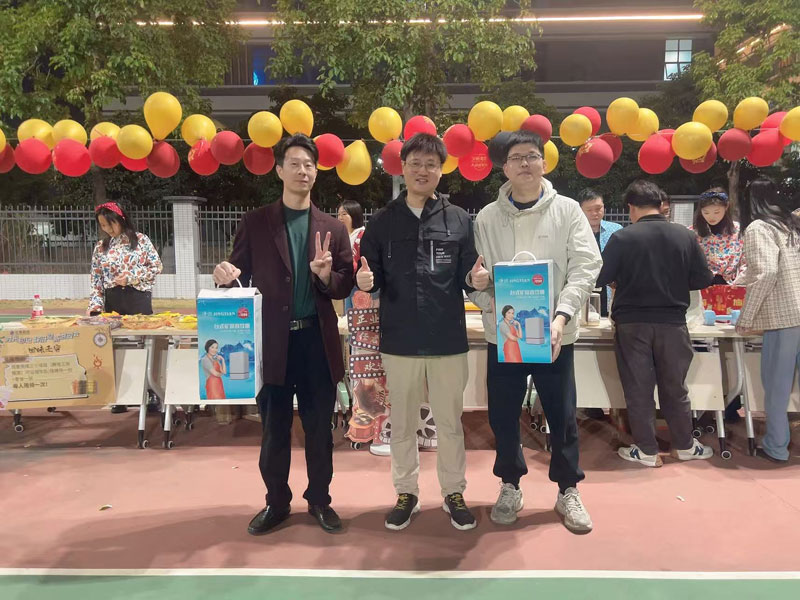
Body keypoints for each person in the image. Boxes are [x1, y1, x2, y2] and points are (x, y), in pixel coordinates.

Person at [213, 134, 354, 535]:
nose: (302, 171)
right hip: (272, 344)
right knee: (274, 429)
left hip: (316, 343)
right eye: (294, 163)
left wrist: (325, 277)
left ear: (316, 173)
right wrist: (223, 275)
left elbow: (344, 283)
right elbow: (236, 274)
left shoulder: (333, 228)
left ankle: (320, 501)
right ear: (279, 170)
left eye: (309, 165)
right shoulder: (256, 222)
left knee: (319, 430)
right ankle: (276, 502)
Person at [469, 129, 601, 534]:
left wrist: (561, 318)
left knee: (561, 415)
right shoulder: (487, 218)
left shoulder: (567, 211)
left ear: (544, 162)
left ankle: (568, 489)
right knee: (503, 415)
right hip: (504, 337)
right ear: (504, 167)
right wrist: (479, 286)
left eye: (531, 156)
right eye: (516, 158)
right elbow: (477, 274)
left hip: (556, 336)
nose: (524, 163)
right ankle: (510, 485)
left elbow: (586, 266)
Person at [356, 133, 489, 531]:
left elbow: (468, 274)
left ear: (441, 170)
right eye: (415, 163)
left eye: (431, 164)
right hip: (400, 341)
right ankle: (406, 493)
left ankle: (453, 492)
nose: (422, 170)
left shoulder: (459, 219)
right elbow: (370, 274)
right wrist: (365, 282)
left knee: (449, 424)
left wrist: (476, 279)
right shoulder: (383, 222)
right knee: (402, 424)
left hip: (447, 339)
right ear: (403, 167)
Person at [596, 180, 715, 468]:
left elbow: (601, 277)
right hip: (673, 323)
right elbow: (703, 278)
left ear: (631, 207)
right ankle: (684, 446)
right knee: (675, 387)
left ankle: (646, 450)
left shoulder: (622, 238)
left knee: (638, 387)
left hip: (631, 323)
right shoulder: (685, 236)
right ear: (661, 205)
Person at [736, 178, 800, 464]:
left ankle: (776, 446)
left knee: (776, 387)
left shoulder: (759, 228)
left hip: (784, 318)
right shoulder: (792, 225)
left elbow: (765, 273)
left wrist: (746, 316)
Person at [89, 201, 163, 413]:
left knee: (143, 344)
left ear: (120, 219)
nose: (108, 229)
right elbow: (96, 279)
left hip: (138, 297)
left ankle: (150, 393)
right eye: (103, 226)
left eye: (110, 224)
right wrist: (95, 306)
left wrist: (131, 277)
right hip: (113, 300)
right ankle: (121, 395)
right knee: (116, 347)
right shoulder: (101, 247)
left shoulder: (140, 240)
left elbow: (157, 266)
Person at [576, 188, 622, 318]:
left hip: (610, 291)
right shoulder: (574, 231)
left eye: (598, 208)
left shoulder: (616, 230)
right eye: (589, 210)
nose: (594, 213)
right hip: (582, 287)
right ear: (580, 210)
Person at [690, 187, 745, 285]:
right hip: (700, 285)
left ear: (726, 207)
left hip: (731, 285)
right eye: (706, 212)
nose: (711, 216)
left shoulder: (738, 230)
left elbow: (745, 261)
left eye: (716, 212)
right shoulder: (692, 233)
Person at [337, 199, 367, 311]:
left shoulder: (363, 236)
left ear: (354, 215)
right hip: (347, 283)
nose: (340, 218)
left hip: (359, 285)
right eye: (339, 214)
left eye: (344, 214)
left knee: (359, 317)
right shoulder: (343, 236)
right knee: (349, 315)